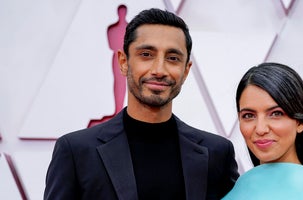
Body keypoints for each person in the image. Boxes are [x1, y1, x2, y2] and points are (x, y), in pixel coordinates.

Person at [44, 8, 239, 200]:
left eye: (172, 58)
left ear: (186, 70)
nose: (159, 70)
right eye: (146, 54)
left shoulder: (218, 154)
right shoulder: (76, 152)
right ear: (123, 62)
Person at [222, 63, 303, 199]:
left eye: (276, 114)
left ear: (300, 121)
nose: (260, 129)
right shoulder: (242, 185)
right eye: (249, 115)